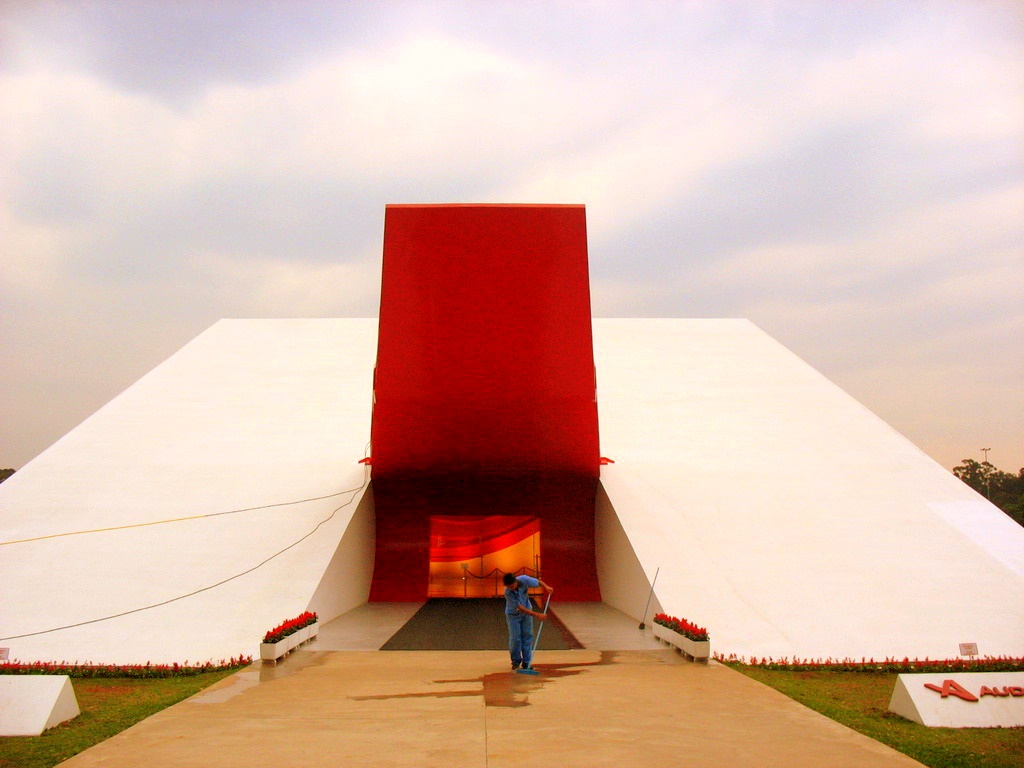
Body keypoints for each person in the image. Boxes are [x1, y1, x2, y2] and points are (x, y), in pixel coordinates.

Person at [502, 571, 554, 671]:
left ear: (515, 581)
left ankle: (527, 662)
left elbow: (537, 582)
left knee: (527, 635)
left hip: (527, 612)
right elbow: (520, 608)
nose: (511, 588)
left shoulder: (524, 580)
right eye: (509, 587)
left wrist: (546, 587)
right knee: (515, 638)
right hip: (513, 615)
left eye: (512, 586)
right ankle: (516, 661)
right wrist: (537, 615)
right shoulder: (508, 592)